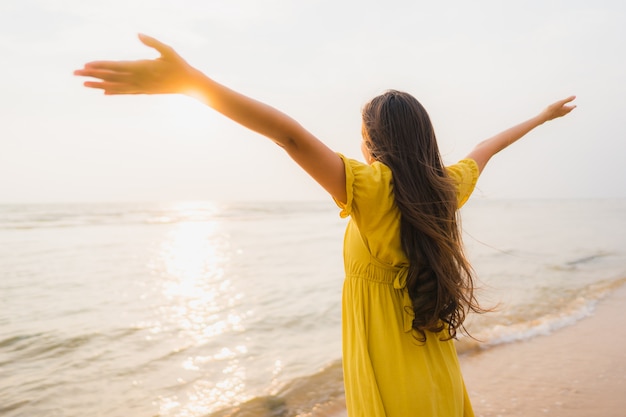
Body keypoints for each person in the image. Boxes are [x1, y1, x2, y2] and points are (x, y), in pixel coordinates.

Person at [74, 34, 576, 417]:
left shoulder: (371, 189)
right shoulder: (445, 188)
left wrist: (193, 84)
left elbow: (288, 135)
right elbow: (488, 146)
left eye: (362, 135)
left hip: (391, 376)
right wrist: (541, 117)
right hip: (434, 370)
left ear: (372, 141)